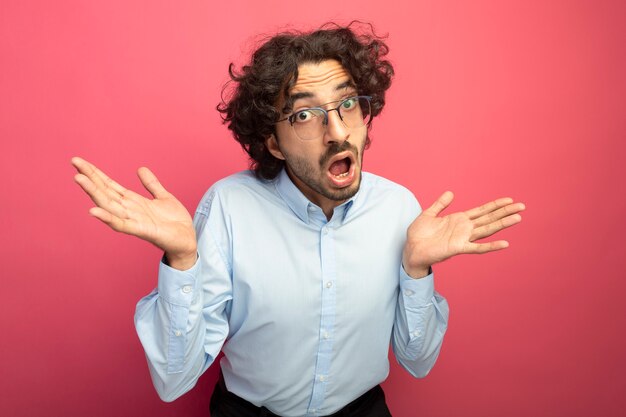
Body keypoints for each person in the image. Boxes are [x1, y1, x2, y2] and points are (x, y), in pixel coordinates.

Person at [72, 22, 524, 417]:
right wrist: (182, 259)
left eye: (348, 104)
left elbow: (418, 362)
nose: (339, 131)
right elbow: (174, 380)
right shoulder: (228, 208)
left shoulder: (400, 209)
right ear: (272, 142)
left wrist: (417, 270)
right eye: (306, 114)